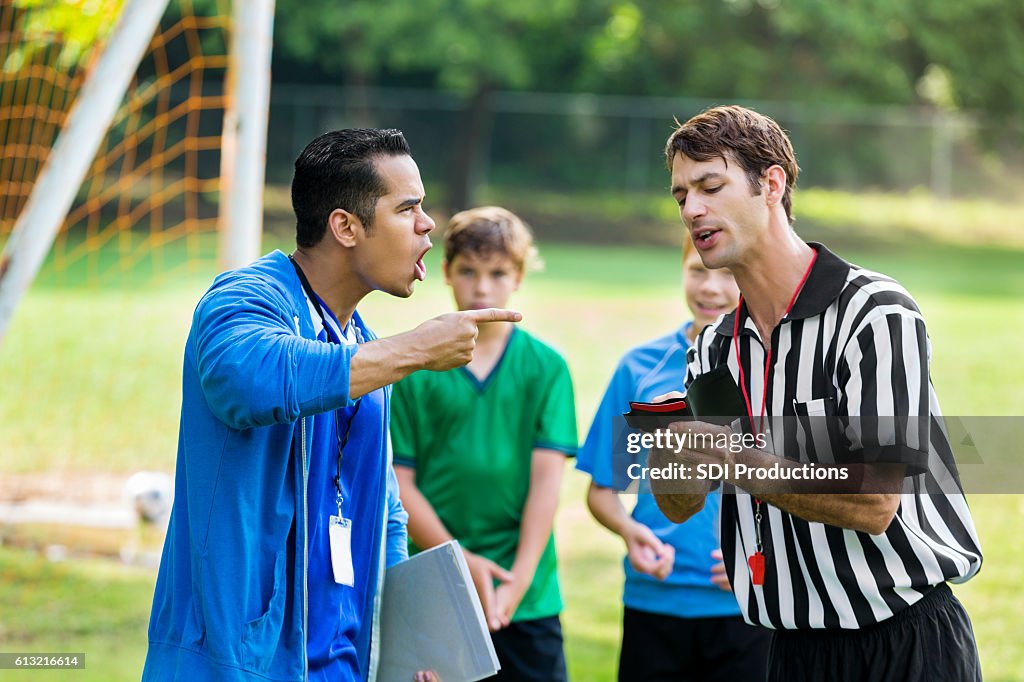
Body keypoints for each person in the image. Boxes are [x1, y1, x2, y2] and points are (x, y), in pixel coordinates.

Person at [142, 129, 519, 682]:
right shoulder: (244, 297)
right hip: (236, 665)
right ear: (345, 226)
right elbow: (245, 377)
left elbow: (385, 510)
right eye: (408, 207)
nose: (428, 224)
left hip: (343, 668)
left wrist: (403, 648)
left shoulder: (361, 340)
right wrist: (412, 349)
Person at [651, 105, 983, 681]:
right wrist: (670, 461)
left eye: (710, 186)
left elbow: (875, 500)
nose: (692, 210)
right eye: (681, 196)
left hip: (903, 644)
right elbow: (684, 501)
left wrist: (730, 455)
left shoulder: (873, 313)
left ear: (772, 183)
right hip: (790, 652)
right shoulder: (711, 352)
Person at [390, 206, 577, 682]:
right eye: (468, 271)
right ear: (447, 272)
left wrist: (519, 579)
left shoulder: (547, 368)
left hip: (525, 592)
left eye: (497, 273)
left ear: (517, 276)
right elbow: (400, 482)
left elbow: (546, 487)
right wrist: (459, 560)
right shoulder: (416, 367)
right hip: (436, 581)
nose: (482, 287)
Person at [577, 234, 771, 681]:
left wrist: (766, 561)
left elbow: (806, 488)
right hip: (654, 601)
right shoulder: (639, 368)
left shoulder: (776, 369)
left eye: (727, 274)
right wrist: (631, 533)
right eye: (698, 270)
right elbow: (603, 490)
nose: (710, 288)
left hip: (748, 606)